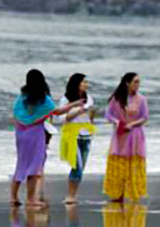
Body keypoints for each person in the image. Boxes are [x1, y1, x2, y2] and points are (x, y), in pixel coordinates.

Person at [10, 69, 81, 208]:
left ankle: (13, 197)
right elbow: (58, 111)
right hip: (35, 134)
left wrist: (24, 123)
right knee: (34, 166)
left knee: (21, 164)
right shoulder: (43, 97)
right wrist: (74, 104)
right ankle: (31, 199)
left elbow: (16, 113)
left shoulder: (22, 96)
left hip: (21, 134)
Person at [103, 72, 148, 202]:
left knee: (133, 162)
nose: (138, 84)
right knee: (119, 161)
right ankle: (118, 193)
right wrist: (117, 122)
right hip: (120, 134)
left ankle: (134, 192)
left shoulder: (141, 99)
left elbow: (145, 117)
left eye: (139, 82)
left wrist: (132, 124)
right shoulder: (117, 99)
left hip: (135, 134)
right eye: (135, 82)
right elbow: (108, 115)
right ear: (127, 83)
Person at [56, 73, 98, 205]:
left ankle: (73, 195)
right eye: (83, 82)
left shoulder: (89, 98)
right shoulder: (66, 99)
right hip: (72, 135)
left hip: (86, 135)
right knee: (77, 166)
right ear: (76, 84)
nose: (86, 84)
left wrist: (91, 115)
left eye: (86, 82)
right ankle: (70, 195)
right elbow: (61, 118)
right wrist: (79, 110)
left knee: (81, 168)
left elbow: (90, 118)